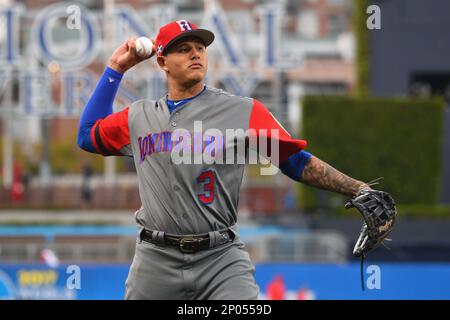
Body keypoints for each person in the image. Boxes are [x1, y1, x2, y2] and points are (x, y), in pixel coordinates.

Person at [77, 20, 372, 300]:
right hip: (155, 258)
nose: (195, 53)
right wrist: (116, 68)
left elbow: (294, 161)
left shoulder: (242, 110)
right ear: (162, 62)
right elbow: (87, 135)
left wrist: (358, 188)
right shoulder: (138, 116)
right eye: (183, 48)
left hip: (220, 258)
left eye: (200, 48)